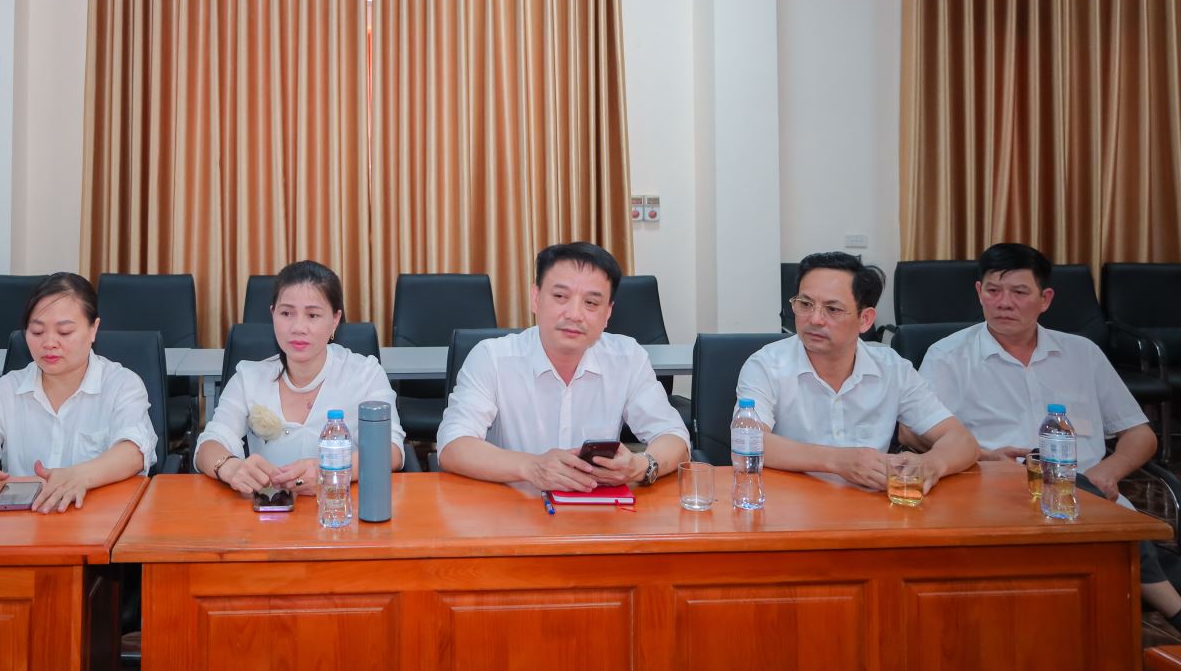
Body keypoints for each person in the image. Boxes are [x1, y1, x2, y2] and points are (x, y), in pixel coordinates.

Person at [912, 242, 1181, 629]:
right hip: (998, 494)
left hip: (1093, 492)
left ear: (1045, 299)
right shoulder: (948, 356)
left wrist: (1110, 471)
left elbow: (1139, 432)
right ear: (979, 292)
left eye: (1019, 292)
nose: (1004, 302)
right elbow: (913, 432)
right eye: (993, 290)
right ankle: (1171, 607)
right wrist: (983, 455)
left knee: (1098, 539)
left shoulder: (1082, 354)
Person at [437, 242, 689, 492]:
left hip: (596, 510)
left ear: (608, 313)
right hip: (512, 505)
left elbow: (674, 437)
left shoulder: (628, 357)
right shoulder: (491, 358)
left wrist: (640, 465)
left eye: (591, 303)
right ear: (535, 298)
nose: (574, 314)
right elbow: (453, 445)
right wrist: (531, 467)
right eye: (560, 297)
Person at [737, 250, 977, 492]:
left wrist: (930, 465)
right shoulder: (766, 364)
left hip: (871, 506)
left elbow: (961, 440)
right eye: (805, 304)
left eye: (832, 309)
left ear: (865, 319)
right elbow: (747, 441)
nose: (815, 319)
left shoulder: (892, 369)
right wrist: (838, 461)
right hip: (792, 503)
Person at [0, 272, 156, 512]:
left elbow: (134, 451)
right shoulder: (8, 390)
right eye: (37, 331)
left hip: (97, 519)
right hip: (22, 524)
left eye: (64, 332)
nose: (49, 343)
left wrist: (80, 476)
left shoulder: (121, 384)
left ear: (94, 329)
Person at [196, 260, 403, 495]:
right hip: (271, 509)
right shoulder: (249, 377)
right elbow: (209, 444)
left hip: (342, 506)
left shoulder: (365, 373)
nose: (298, 327)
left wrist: (329, 471)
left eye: (313, 315)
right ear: (273, 314)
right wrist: (230, 467)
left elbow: (392, 450)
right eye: (286, 313)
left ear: (335, 320)